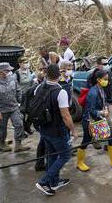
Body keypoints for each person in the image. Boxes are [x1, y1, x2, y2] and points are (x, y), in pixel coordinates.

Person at [35, 64, 78, 196]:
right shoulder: (61, 92)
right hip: (57, 130)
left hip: (44, 128)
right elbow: (65, 115)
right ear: (59, 76)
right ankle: (44, 181)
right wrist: (73, 130)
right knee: (65, 155)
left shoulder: (38, 87)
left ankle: (54, 182)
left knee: (52, 154)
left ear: (47, 75)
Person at [76, 70, 112, 172]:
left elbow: (103, 102)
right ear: (98, 80)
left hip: (99, 119)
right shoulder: (93, 92)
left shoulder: (101, 89)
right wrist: (101, 113)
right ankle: (80, 162)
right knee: (86, 141)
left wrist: (105, 110)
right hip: (89, 121)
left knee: (111, 136)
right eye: (105, 79)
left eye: (107, 79)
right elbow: (90, 110)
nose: (107, 81)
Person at [0, 62, 30, 153]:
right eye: (8, 70)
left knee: (19, 124)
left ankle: (18, 145)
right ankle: (2, 144)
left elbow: (18, 90)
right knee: (1, 128)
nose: (10, 71)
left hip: (14, 107)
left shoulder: (12, 79)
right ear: (1, 72)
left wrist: (19, 101)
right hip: (1, 110)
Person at [87, 56, 112, 150]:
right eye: (104, 64)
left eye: (107, 63)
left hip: (109, 101)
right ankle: (95, 139)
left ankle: (110, 144)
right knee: (97, 122)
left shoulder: (110, 73)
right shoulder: (92, 76)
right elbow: (90, 91)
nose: (106, 65)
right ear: (98, 65)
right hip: (98, 104)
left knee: (109, 122)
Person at [14, 57, 36, 135]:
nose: (26, 64)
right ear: (20, 64)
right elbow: (14, 86)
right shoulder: (16, 74)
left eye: (27, 62)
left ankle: (27, 126)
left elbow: (34, 80)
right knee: (22, 114)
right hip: (21, 96)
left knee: (32, 112)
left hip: (30, 95)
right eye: (24, 62)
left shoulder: (30, 71)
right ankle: (22, 130)